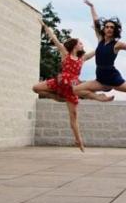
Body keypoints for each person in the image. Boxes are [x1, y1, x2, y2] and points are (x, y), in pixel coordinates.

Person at [33, 20, 95, 152]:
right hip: (60, 82)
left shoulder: (81, 59)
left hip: (73, 87)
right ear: (74, 45)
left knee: (73, 116)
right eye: (80, 43)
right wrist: (45, 26)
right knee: (36, 88)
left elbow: (97, 51)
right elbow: (54, 38)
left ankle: (79, 141)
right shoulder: (65, 54)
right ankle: (58, 98)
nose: (82, 45)